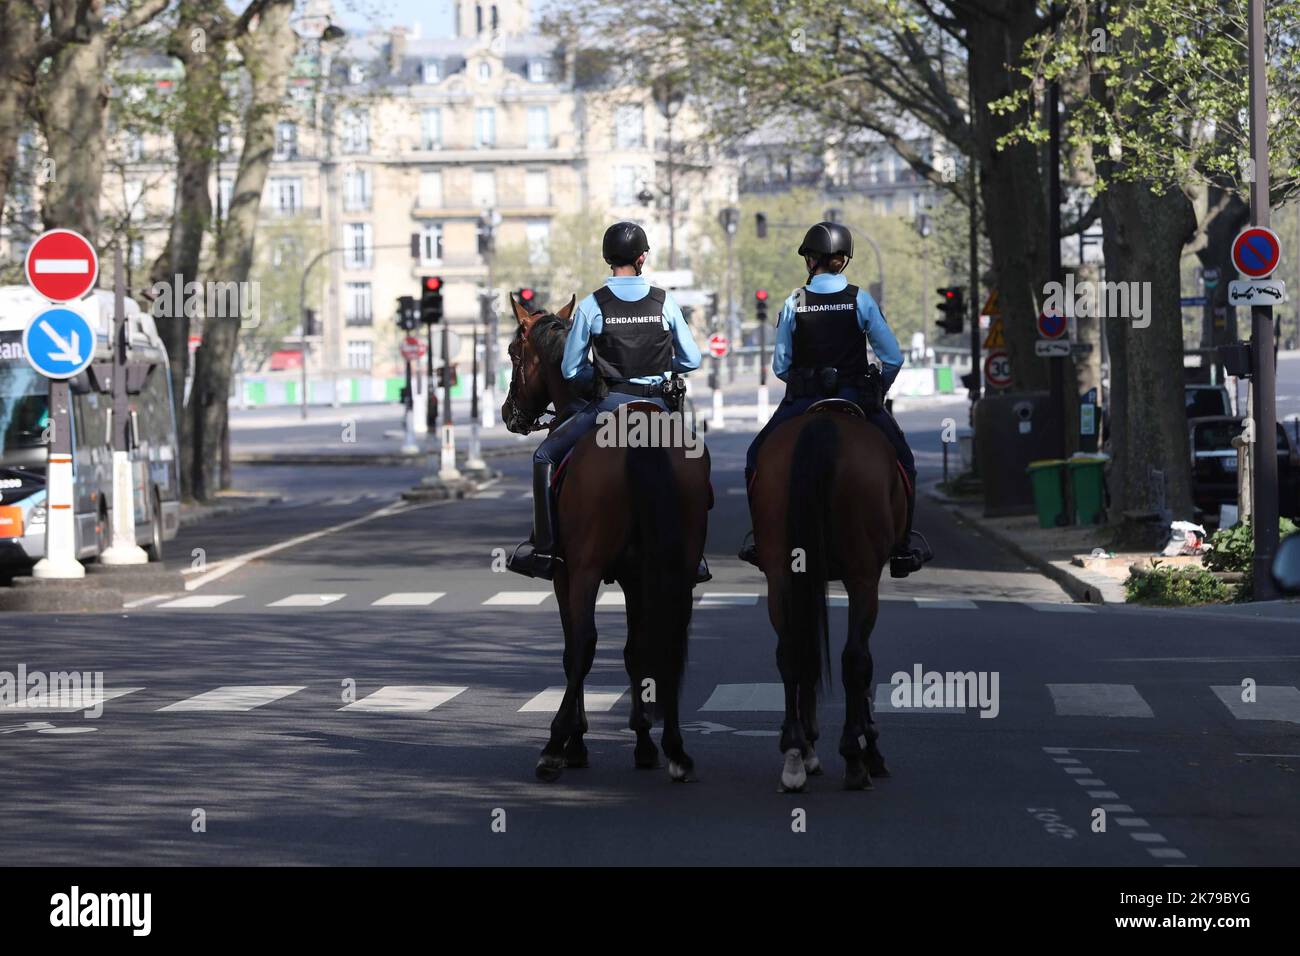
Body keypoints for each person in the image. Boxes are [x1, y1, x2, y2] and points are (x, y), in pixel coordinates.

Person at [507, 221, 707, 581]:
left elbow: (570, 369)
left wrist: (599, 375)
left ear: (606, 258)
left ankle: (545, 548)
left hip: (609, 406)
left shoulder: (592, 304)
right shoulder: (664, 301)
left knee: (544, 456)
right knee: (696, 460)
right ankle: (696, 556)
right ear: (642, 257)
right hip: (657, 408)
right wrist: (660, 367)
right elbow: (692, 360)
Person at [738, 220, 932, 578]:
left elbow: (781, 365)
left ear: (811, 260)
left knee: (755, 460)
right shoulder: (860, 298)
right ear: (844, 261)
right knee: (904, 462)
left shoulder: (795, 300)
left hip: (804, 399)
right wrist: (878, 390)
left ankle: (761, 542)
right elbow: (893, 358)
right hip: (855, 397)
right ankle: (903, 546)